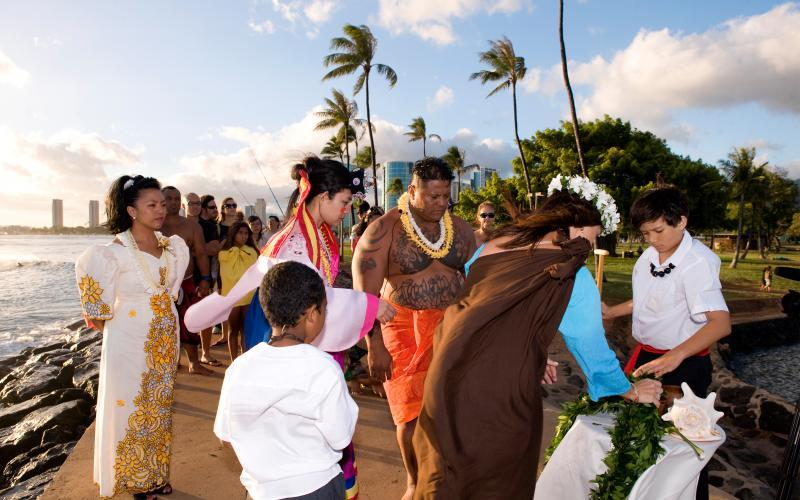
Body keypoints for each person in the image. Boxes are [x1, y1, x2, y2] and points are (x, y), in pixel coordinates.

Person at [411, 176, 662, 499]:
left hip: (448, 367)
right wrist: (627, 390)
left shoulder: (495, 243)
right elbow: (588, 342)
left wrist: (530, 350)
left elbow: (485, 307)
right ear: (577, 227)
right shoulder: (570, 265)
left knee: (445, 469)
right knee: (498, 477)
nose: (590, 244)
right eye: (594, 235)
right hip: (501, 391)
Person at [186, 156, 397, 500]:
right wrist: (371, 306)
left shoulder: (314, 233)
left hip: (296, 337)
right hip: (290, 341)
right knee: (299, 425)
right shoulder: (296, 242)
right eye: (343, 202)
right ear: (323, 196)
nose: (346, 209)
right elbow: (311, 298)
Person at [353, 157, 476, 499]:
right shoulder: (384, 231)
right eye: (432, 196)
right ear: (412, 191)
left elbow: (481, 278)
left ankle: (446, 474)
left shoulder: (461, 229)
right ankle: (414, 481)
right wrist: (374, 346)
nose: (440, 203)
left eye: (445, 196)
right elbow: (365, 294)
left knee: (453, 408)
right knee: (409, 415)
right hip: (402, 327)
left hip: (451, 326)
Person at [602, 186, 730, 500]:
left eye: (658, 230)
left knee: (684, 451)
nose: (652, 239)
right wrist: (610, 311)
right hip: (648, 359)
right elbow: (648, 300)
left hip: (685, 365)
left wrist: (676, 356)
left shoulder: (699, 262)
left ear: (681, 221)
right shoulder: (649, 256)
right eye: (645, 233)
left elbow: (721, 323)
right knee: (642, 444)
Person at [75, 175, 190, 499]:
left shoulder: (171, 246)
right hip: (129, 340)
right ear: (131, 211)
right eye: (151, 204)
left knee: (159, 406)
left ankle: (154, 472)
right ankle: (136, 479)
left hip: (165, 336)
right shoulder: (112, 253)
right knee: (130, 406)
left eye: (163, 204)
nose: (160, 210)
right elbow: (96, 315)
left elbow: (172, 290)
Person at [214, 261, 358, 500]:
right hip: (317, 488)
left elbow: (225, 435)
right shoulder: (323, 368)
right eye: (325, 308)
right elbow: (340, 436)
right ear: (312, 314)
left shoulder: (239, 368)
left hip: (261, 492)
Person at [160, 186, 215, 374]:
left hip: (187, 281)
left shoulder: (192, 226)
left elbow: (201, 254)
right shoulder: (153, 224)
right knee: (165, 325)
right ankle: (171, 362)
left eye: (176, 198)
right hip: (161, 285)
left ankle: (194, 363)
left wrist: (205, 279)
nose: (173, 202)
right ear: (162, 200)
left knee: (188, 323)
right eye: (169, 198)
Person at [218, 221, 259, 361]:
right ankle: (233, 361)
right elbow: (226, 274)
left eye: (246, 233)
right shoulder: (225, 252)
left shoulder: (253, 252)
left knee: (246, 332)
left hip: (249, 296)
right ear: (233, 234)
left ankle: (245, 362)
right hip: (232, 298)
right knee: (232, 331)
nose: (244, 236)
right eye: (240, 233)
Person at [198, 195, 224, 356]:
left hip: (211, 275)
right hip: (201, 275)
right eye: (212, 207)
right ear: (204, 209)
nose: (215, 210)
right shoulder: (200, 225)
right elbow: (210, 250)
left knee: (206, 314)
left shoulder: (214, 225)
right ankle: (204, 353)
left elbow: (211, 249)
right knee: (204, 315)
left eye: (216, 207)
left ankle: (204, 352)